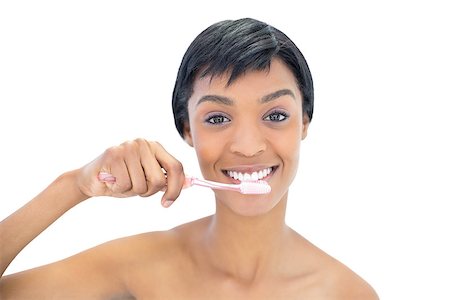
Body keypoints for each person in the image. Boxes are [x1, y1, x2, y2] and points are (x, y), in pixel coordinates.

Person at [0, 18, 378, 299]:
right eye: (217, 118)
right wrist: (74, 186)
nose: (248, 147)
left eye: (276, 116)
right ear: (186, 130)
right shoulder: (139, 267)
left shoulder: (347, 293)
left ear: (305, 123)